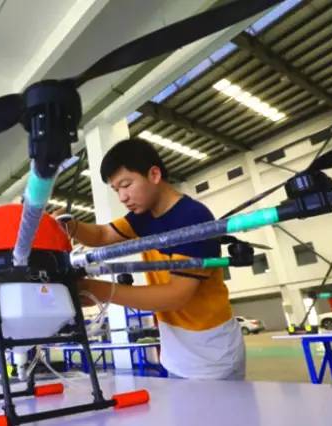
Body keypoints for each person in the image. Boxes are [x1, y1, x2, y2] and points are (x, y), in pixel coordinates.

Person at [59, 138, 245, 380]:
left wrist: (96, 289)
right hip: (174, 350)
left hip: (212, 351)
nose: (122, 197)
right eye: (116, 190)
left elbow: (176, 295)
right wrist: (69, 225)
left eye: (126, 185)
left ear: (154, 174)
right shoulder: (143, 217)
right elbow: (102, 235)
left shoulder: (192, 217)